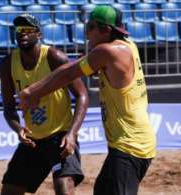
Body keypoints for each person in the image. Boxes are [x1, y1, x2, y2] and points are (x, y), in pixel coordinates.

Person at [19, 6, 157, 195]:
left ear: (106, 30)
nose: (86, 34)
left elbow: (68, 74)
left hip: (130, 147)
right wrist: (33, 91)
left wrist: (32, 93)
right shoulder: (125, 46)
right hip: (126, 145)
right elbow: (72, 67)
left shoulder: (109, 52)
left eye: (90, 27)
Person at [0, 14, 89, 195]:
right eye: (18, 30)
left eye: (27, 30)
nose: (22, 34)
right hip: (33, 139)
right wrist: (18, 129)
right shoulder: (7, 64)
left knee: (63, 185)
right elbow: (9, 108)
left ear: (38, 34)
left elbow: (82, 95)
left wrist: (72, 134)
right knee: (10, 189)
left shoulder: (54, 57)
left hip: (60, 135)